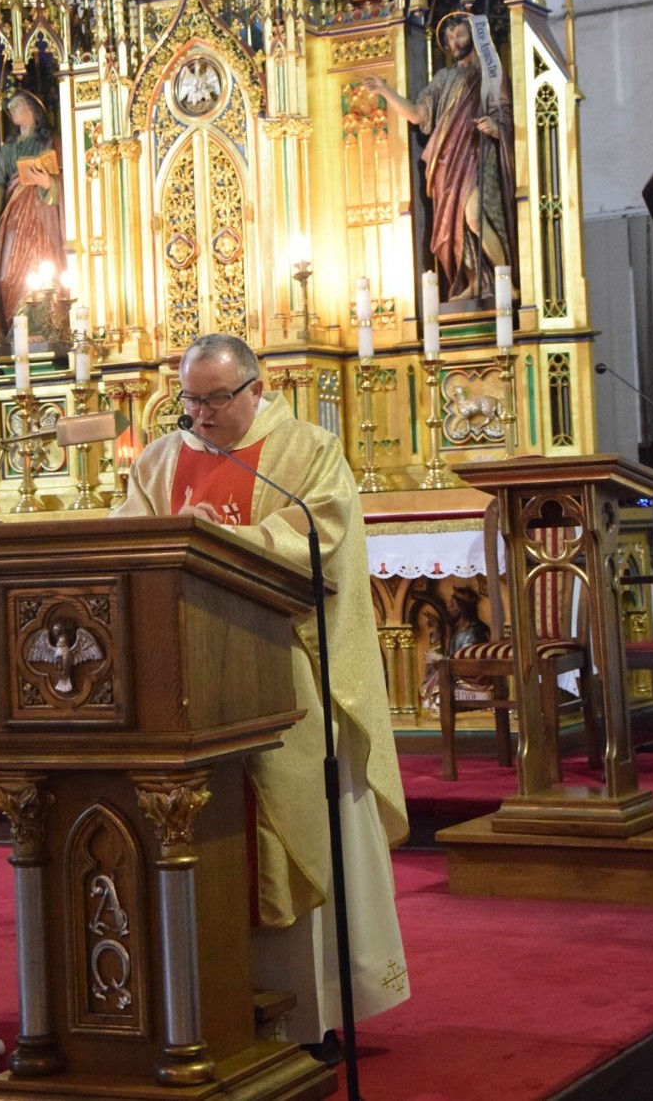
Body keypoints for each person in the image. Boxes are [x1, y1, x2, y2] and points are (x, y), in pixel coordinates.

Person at [113, 333, 410, 1048]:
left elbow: (321, 535)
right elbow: (127, 543)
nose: (202, 416)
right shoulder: (160, 459)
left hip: (281, 672)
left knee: (300, 822)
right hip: (182, 685)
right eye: (191, 400)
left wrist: (230, 540)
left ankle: (314, 1012)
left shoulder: (306, 452)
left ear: (255, 386)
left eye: (216, 399)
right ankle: (209, 1002)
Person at [372, 11, 516, 300]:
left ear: (474, 36)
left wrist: (497, 127)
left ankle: (504, 279)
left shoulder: (491, 74)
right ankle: (475, 282)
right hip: (447, 161)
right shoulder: (444, 78)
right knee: (455, 224)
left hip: (478, 153)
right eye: (450, 37)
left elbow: (507, 112)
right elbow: (416, 114)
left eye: (460, 34)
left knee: (474, 215)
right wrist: (385, 90)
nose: (454, 42)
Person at [0, 90, 65, 336]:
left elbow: (64, 178)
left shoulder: (50, 141)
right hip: (16, 215)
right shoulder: (8, 150)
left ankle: (48, 326)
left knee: (45, 265)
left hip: (42, 214)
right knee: (8, 274)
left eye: (17, 105)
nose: (13, 111)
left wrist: (49, 183)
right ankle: (18, 328)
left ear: (33, 110)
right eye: (10, 108)